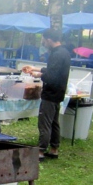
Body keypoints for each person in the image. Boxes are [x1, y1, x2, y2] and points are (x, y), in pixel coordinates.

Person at [22, 28, 70, 161]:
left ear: (49, 39)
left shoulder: (56, 54)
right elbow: (53, 70)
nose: (43, 42)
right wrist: (35, 68)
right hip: (58, 93)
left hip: (50, 94)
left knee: (45, 123)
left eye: (43, 40)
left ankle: (41, 151)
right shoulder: (64, 52)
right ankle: (54, 149)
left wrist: (38, 75)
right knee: (54, 123)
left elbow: (51, 76)